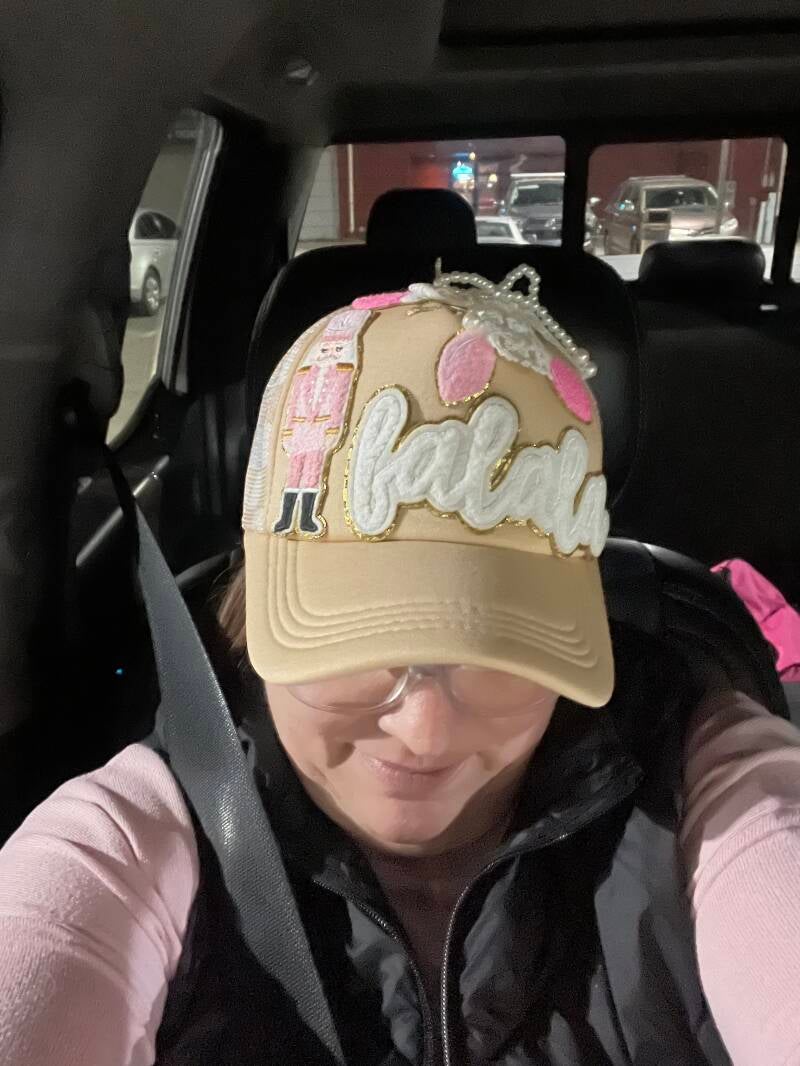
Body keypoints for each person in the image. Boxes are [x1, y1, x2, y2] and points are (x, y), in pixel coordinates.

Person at [1, 264, 800, 1066]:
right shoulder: (152, 829)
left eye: (503, 651)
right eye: (361, 644)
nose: (426, 730)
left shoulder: (698, 781)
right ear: (256, 613)